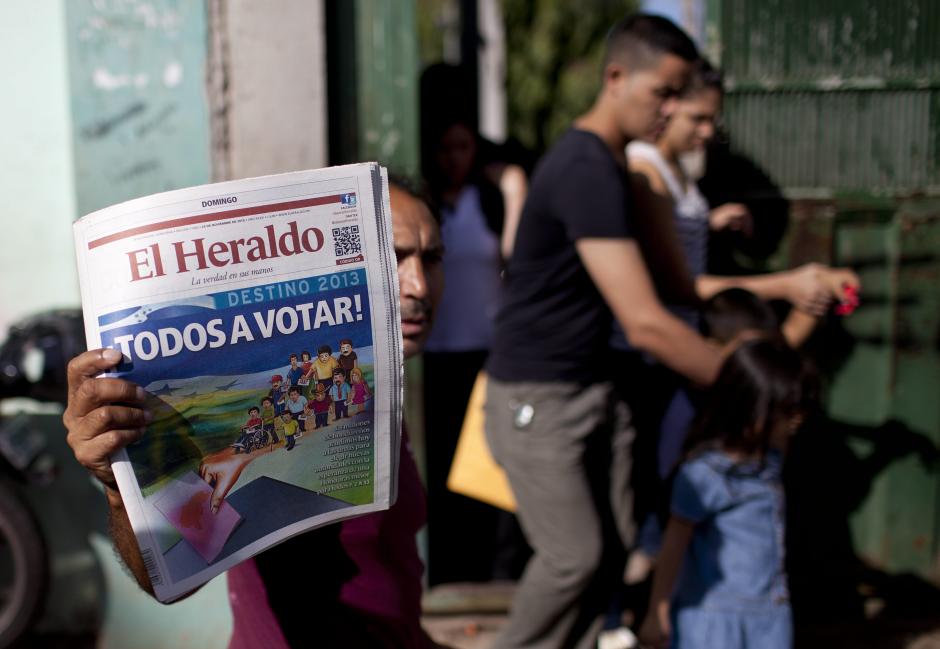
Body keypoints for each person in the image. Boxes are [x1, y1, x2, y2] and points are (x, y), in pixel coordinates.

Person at [63, 180, 446, 648]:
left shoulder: (373, 389)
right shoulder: (301, 402)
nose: (419, 285)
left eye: (432, 259)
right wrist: (120, 487)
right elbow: (169, 569)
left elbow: (388, 578)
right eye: (395, 257)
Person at [483, 14, 728, 649]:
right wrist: (746, 385)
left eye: (682, 96)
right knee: (574, 558)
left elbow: (676, 288)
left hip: (597, 388)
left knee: (614, 552)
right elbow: (648, 322)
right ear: (616, 78)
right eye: (663, 94)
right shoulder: (583, 168)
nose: (672, 110)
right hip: (541, 398)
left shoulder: (616, 167)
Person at [638, 337, 816, 649]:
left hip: (769, 611)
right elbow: (673, 547)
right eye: (788, 410)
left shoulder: (769, 460)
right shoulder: (704, 473)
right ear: (753, 407)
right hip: (714, 617)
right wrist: (658, 610)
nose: (797, 419)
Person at [421, 110, 529, 584]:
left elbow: (519, 259)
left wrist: (514, 189)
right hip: (438, 360)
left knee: (490, 470)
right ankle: (451, 572)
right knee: (445, 472)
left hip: (488, 357)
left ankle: (497, 572)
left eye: (463, 148)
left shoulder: (489, 203)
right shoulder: (425, 209)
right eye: (446, 148)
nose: (454, 159)